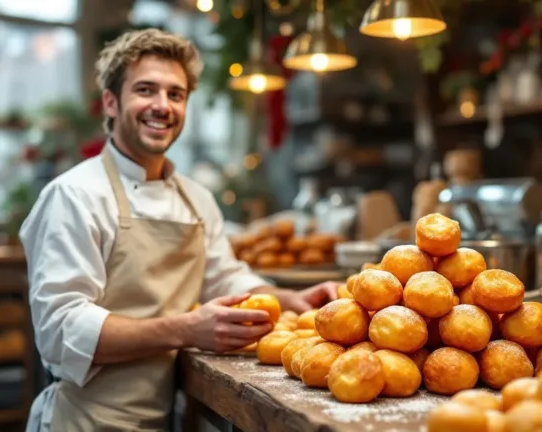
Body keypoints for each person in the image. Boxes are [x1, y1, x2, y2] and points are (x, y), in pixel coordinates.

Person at [21, 28, 340, 432]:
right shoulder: (74, 195)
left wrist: (291, 298)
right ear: (111, 102)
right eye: (145, 90)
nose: (162, 105)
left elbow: (224, 277)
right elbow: (60, 330)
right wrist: (186, 329)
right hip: (84, 420)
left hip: (160, 417)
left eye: (176, 94)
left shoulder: (195, 198)